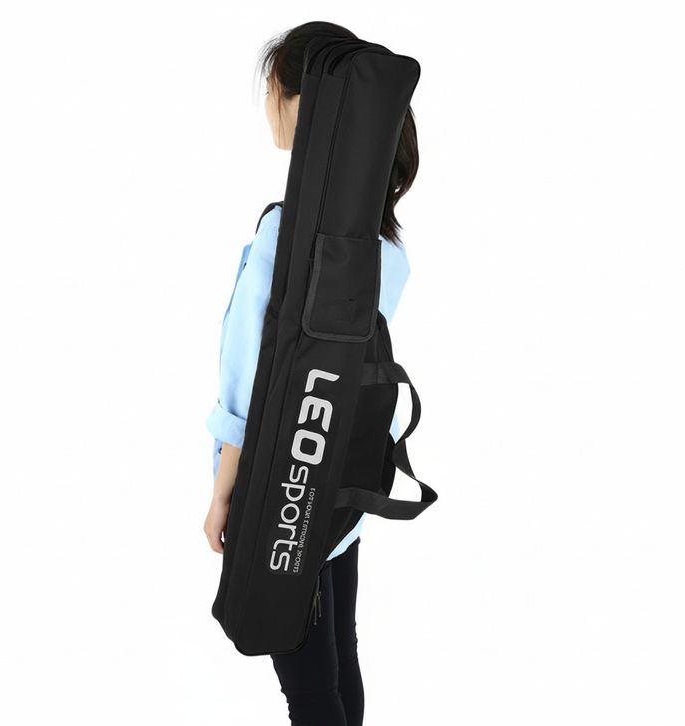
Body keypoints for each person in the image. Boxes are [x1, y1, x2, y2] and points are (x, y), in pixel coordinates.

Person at [203, 21, 419, 726]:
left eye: (273, 86)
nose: (268, 100)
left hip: (278, 487)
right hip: (337, 486)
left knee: (306, 683)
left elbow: (249, 373)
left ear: (304, 102)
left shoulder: (285, 237)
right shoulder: (385, 249)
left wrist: (225, 491)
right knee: (337, 661)